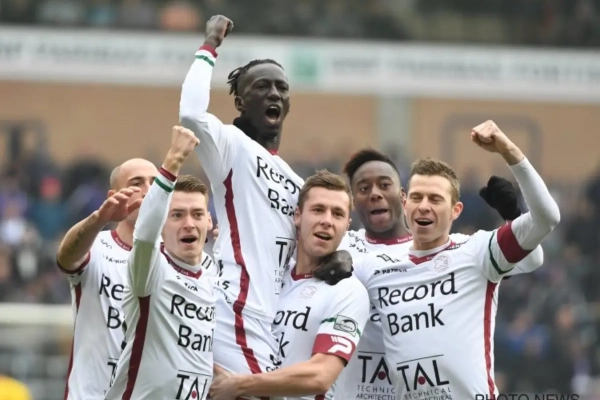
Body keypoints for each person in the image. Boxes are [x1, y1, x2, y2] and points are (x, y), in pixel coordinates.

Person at [179, 14, 351, 383]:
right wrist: (209, 45)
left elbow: (319, 235)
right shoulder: (231, 146)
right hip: (236, 309)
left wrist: (344, 254)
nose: (274, 93)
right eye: (262, 86)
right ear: (240, 101)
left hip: (270, 316)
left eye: (281, 88)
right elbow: (191, 114)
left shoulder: (297, 182)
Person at [353, 120, 560, 400]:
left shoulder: (476, 251)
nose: (424, 206)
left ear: (456, 210)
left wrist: (508, 151)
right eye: (417, 197)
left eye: (435, 199)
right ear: (404, 204)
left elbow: (547, 219)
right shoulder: (373, 267)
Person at [209, 171, 369, 400]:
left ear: (347, 226)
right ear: (297, 216)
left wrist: (240, 385)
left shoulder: (348, 292)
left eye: (337, 214)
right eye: (318, 210)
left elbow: (321, 376)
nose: (327, 220)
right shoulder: (265, 277)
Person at [105, 127, 216, 400]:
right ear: (161, 224)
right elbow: (144, 234)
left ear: (209, 221)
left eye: (197, 214)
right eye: (177, 215)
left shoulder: (215, 272)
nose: (189, 223)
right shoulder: (151, 269)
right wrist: (174, 160)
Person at [57, 157, 157, 400]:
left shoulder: (176, 259)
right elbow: (66, 258)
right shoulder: (96, 247)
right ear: (114, 195)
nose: (148, 190)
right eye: (137, 183)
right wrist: (99, 219)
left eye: (155, 183)